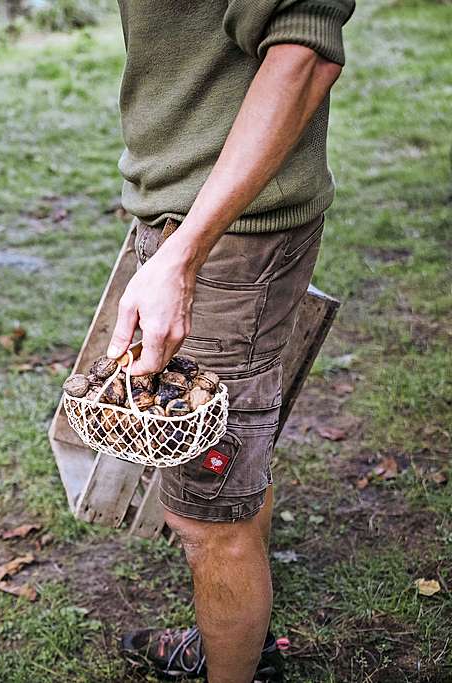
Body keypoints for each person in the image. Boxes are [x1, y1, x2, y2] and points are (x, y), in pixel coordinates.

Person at [103, 2, 356, 682]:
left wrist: (183, 256)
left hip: (227, 237)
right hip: (199, 217)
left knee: (208, 516)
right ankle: (233, 642)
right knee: (227, 485)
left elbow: (306, 58)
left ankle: (234, 664)